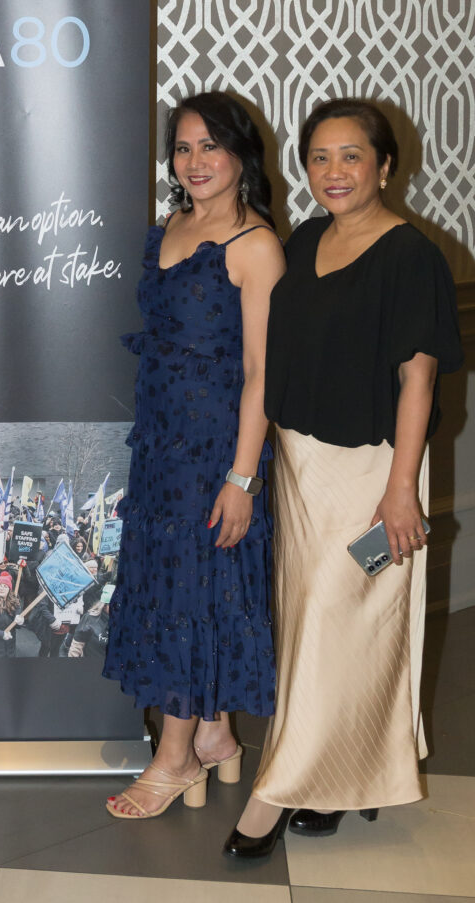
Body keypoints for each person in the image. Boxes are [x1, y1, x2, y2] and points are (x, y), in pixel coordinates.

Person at [224, 98, 463, 858]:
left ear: (385, 167)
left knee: (340, 618)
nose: (334, 171)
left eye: (351, 155)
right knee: (314, 627)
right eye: (319, 157)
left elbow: (418, 381)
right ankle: (337, 777)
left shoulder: (411, 257)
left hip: (371, 472)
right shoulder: (305, 240)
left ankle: (276, 789)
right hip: (302, 470)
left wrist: (401, 490)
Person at [103, 91, 285, 819]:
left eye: (211, 145)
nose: (195, 160)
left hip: (215, 452)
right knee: (180, 589)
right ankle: (214, 735)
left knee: (190, 592)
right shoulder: (170, 228)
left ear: (241, 154)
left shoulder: (256, 245)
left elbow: (263, 373)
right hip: (159, 449)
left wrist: (242, 477)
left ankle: (174, 758)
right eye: (183, 147)